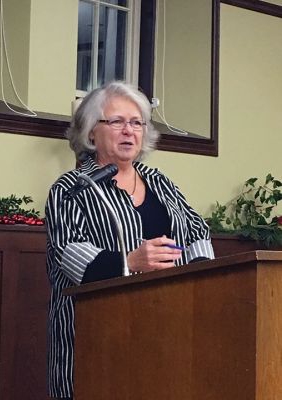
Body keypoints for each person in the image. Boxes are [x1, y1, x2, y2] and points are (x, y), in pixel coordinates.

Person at [45, 80, 214, 399]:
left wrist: (200, 278)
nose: (129, 130)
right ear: (91, 131)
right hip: (97, 340)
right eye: (118, 121)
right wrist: (129, 263)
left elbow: (196, 232)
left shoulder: (159, 182)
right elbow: (70, 257)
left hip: (165, 329)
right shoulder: (71, 189)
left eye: (137, 122)